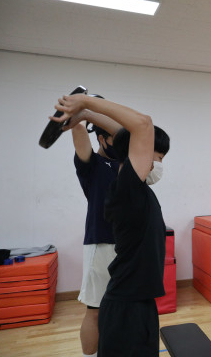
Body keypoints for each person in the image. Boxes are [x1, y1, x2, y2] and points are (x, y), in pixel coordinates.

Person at [51, 94, 170, 357]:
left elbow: (130, 134)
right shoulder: (125, 183)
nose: (158, 163)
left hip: (134, 283)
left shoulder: (134, 182)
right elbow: (142, 126)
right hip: (108, 254)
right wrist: (84, 105)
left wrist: (86, 113)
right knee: (96, 311)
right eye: (157, 156)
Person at [62, 106, 121, 357]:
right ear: (101, 139)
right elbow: (79, 134)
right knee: (95, 311)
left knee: (119, 309)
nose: (120, 143)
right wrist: (78, 115)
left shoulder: (124, 164)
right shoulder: (93, 164)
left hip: (127, 245)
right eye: (114, 138)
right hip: (102, 244)